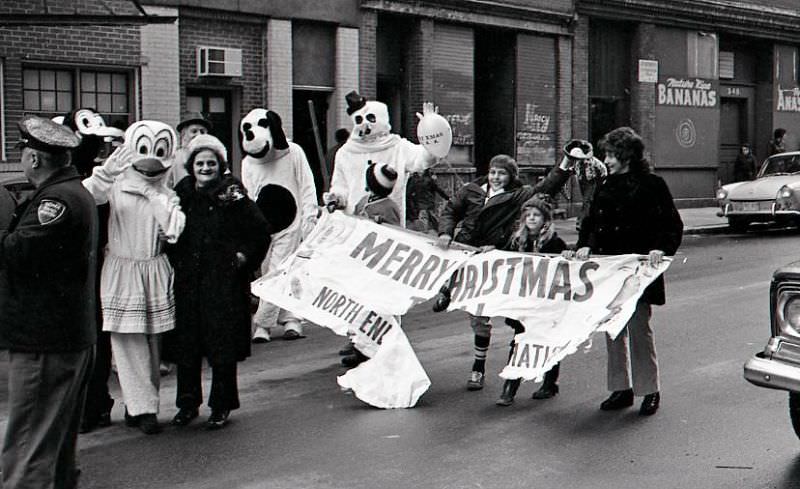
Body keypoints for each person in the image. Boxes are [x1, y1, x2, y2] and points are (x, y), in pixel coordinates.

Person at [0, 115, 96, 489]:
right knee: (55, 448)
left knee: (28, 449)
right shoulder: (71, 192)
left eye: (24, 151)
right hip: (64, 338)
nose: (22, 158)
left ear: (35, 159)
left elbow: (19, 253)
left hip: (44, 342)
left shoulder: (54, 201)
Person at [567, 126, 683, 416]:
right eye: (606, 154)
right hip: (608, 268)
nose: (606, 159)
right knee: (612, 327)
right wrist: (585, 245)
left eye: (610, 154)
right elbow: (591, 223)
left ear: (626, 155)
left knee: (638, 328)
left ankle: (649, 389)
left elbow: (672, 224)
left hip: (639, 268)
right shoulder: (605, 186)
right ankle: (620, 388)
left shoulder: (653, 184)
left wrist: (661, 248)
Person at [435, 154, 573, 390]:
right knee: (475, 313)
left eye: (502, 173)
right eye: (493, 172)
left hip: (493, 259)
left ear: (510, 177)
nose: (496, 177)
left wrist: (565, 164)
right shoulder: (471, 190)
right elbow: (450, 211)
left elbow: (546, 187)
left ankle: (478, 368)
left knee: (482, 311)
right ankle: (447, 288)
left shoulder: (517, 196)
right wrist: (445, 232)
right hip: (467, 254)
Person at [83, 120, 186, 435]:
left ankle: (140, 404)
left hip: (153, 268)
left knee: (153, 344)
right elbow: (89, 196)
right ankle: (143, 409)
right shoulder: (114, 186)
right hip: (121, 269)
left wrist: (154, 197)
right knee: (126, 342)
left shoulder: (167, 195)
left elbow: (173, 229)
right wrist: (106, 172)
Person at [164, 135, 270, 429]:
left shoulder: (231, 193)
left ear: (220, 166)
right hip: (188, 281)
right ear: (191, 166)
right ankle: (187, 404)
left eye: (211, 163)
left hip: (222, 283)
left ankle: (221, 405)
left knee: (221, 347)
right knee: (187, 346)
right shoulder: (182, 192)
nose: (206, 168)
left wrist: (243, 257)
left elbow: (260, 230)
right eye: (200, 163)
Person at [495, 194, 567, 406]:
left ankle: (549, 382)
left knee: (548, 342)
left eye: (537, 215)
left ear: (545, 219)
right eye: (528, 215)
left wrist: (568, 256)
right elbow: (500, 255)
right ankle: (510, 386)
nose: (532, 219)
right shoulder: (516, 241)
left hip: (546, 303)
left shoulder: (554, 242)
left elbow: (566, 264)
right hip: (524, 304)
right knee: (519, 342)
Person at [340, 161, 402, 368]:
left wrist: (379, 226)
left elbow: (395, 235)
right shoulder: (363, 201)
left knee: (379, 308)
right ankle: (359, 346)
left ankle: (380, 347)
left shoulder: (389, 207)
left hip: (379, 264)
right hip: (361, 263)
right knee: (361, 306)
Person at [167, 112, 213, 187]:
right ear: (183, 135)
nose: (199, 135)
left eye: (202, 131)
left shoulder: (215, 158)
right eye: (194, 131)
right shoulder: (174, 159)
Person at [406, 168, 449, 232]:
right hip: (428, 205)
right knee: (433, 221)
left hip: (421, 206)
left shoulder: (413, 179)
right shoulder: (429, 179)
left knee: (426, 222)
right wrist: (447, 197)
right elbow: (438, 189)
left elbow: (408, 194)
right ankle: (441, 231)